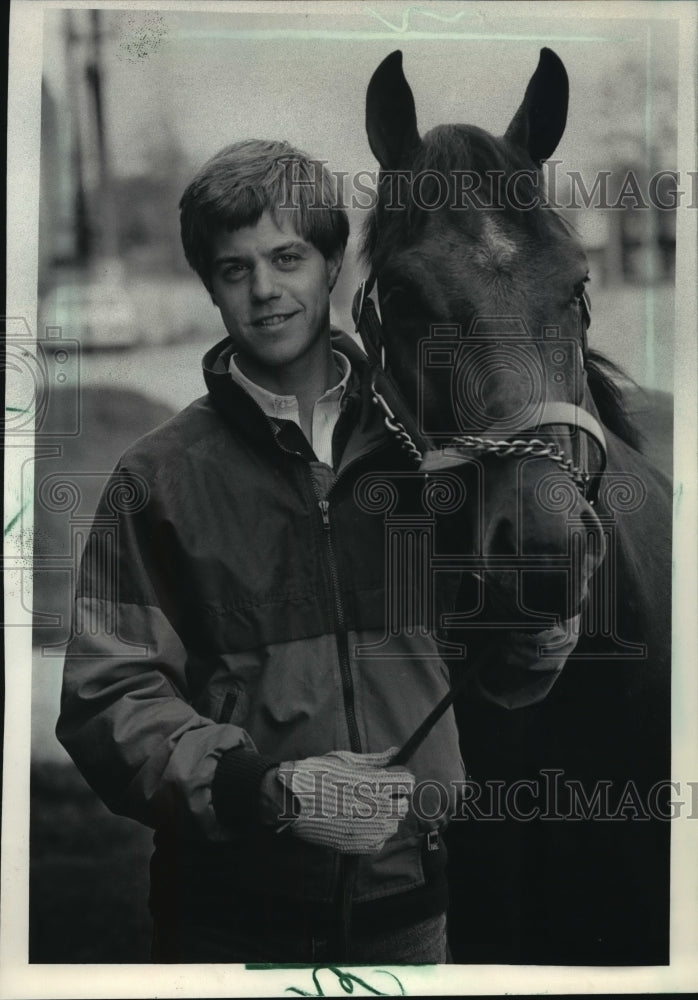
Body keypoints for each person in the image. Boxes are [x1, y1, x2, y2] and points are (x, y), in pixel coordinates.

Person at [56, 139, 578, 964]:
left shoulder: (429, 459)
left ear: (334, 262)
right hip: (225, 923)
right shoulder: (155, 479)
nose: (264, 291)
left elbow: (487, 672)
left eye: (287, 257)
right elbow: (106, 698)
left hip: (414, 916)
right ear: (210, 287)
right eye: (234, 270)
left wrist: (535, 636)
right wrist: (267, 789)